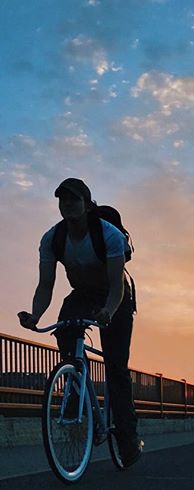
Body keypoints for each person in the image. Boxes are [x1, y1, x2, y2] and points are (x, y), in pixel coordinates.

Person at [18, 178, 143, 468]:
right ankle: (75, 384)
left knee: (115, 367)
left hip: (116, 297)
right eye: (63, 200)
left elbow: (116, 286)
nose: (68, 205)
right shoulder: (52, 239)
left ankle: (128, 440)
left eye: (74, 200)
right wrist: (35, 315)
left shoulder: (108, 235)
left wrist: (109, 311)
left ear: (87, 205)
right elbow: (45, 286)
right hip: (82, 295)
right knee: (65, 329)